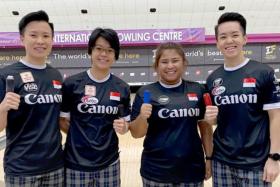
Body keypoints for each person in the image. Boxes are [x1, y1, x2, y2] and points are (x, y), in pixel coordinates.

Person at [206, 12, 280, 187]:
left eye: (235, 35)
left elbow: (276, 117)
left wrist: (275, 157)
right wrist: (212, 119)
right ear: (217, 43)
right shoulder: (213, 79)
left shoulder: (263, 72)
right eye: (223, 37)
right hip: (221, 162)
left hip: (256, 163)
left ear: (245, 39)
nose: (229, 41)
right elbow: (219, 120)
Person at [129, 42, 218, 187]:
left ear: (184, 63)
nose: (170, 66)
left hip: (192, 170)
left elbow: (206, 128)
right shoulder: (146, 93)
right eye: (164, 62)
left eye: (175, 60)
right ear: (156, 66)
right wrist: (142, 117)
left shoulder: (198, 90)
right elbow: (136, 134)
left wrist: (209, 158)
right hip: (156, 172)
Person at [59, 28, 131, 186]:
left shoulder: (122, 88)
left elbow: (126, 125)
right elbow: (62, 120)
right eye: (99, 48)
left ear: (115, 55)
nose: (104, 54)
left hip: (109, 163)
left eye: (109, 50)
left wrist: (124, 127)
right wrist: (80, 136)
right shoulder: (72, 84)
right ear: (90, 50)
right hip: (75, 164)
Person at [0, 10, 64, 186]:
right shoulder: (6, 75)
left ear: (52, 40)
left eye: (46, 36)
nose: (40, 41)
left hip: (55, 166)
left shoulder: (55, 74)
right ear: (22, 38)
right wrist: (2, 107)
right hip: (21, 168)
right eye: (33, 35)